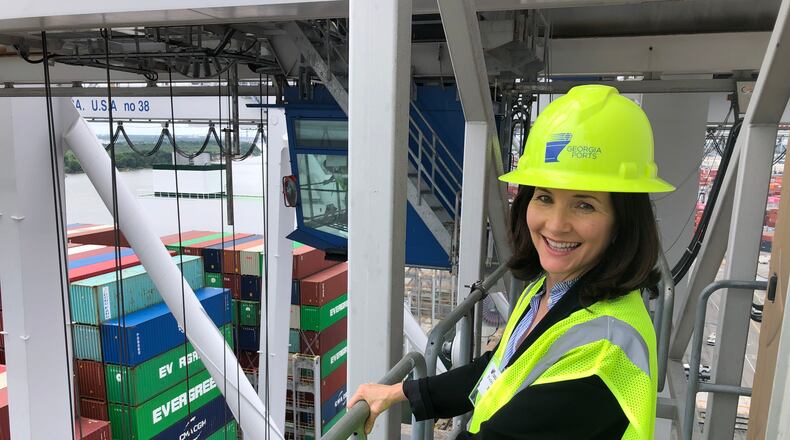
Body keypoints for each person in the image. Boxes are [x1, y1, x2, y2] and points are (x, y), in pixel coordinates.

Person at [348, 84, 675, 439]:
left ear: (622, 222)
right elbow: (501, 369)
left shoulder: (603, 351)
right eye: (545, 197)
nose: (555, 224)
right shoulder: (549, 290)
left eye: (585, 204)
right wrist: (398, 393)